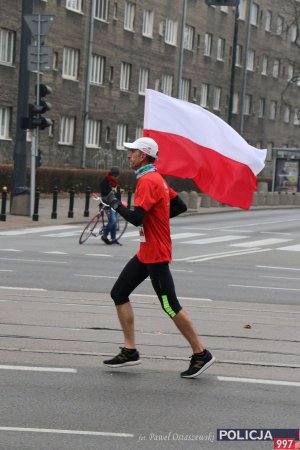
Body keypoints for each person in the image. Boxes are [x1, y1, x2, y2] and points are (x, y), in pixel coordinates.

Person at [100, 137, 215, 378]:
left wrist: (115, 204)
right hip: (146, 252)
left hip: (156, 255)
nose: (129, 156)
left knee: (169, 306)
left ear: (143, 155)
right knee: (118, 293)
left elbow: (137, 218)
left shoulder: (149, 181)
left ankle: (201, 353)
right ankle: (130, 350)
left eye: (132, 152)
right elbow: (179, 206)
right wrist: (158, 219)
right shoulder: (156, 179)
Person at [99, 167, 122, 245]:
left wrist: (119, 192)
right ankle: (104, 236)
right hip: (109, 203)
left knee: (114, 221)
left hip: (116, 202)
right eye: (116, 176)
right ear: (113, 175)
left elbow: (116, 192)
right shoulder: (105, 181)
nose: (117, 177)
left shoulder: (115, 181)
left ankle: (113, 238)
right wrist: (111, 192)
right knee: (113, 220)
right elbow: (104, 192)